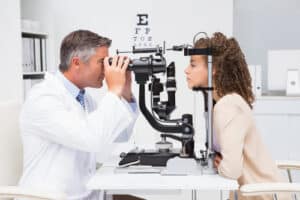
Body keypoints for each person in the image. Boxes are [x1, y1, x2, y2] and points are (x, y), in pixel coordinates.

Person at [18, 30, 139, 199]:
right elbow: (91, 138)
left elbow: (118, 136)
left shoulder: (83, 98)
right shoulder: (43, 98)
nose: (107, 69)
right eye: (101, 62)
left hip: (87, 194)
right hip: (51, 197)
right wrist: (113, 90)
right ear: (76, 63)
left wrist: (125, 92)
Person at [185, 32, 290, 200]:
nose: (186, 70)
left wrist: (222, 165)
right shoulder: (226, 103)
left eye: (193, 65)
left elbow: (232, 169)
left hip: (262, 197)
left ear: (214, 69)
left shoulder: (228, 106)